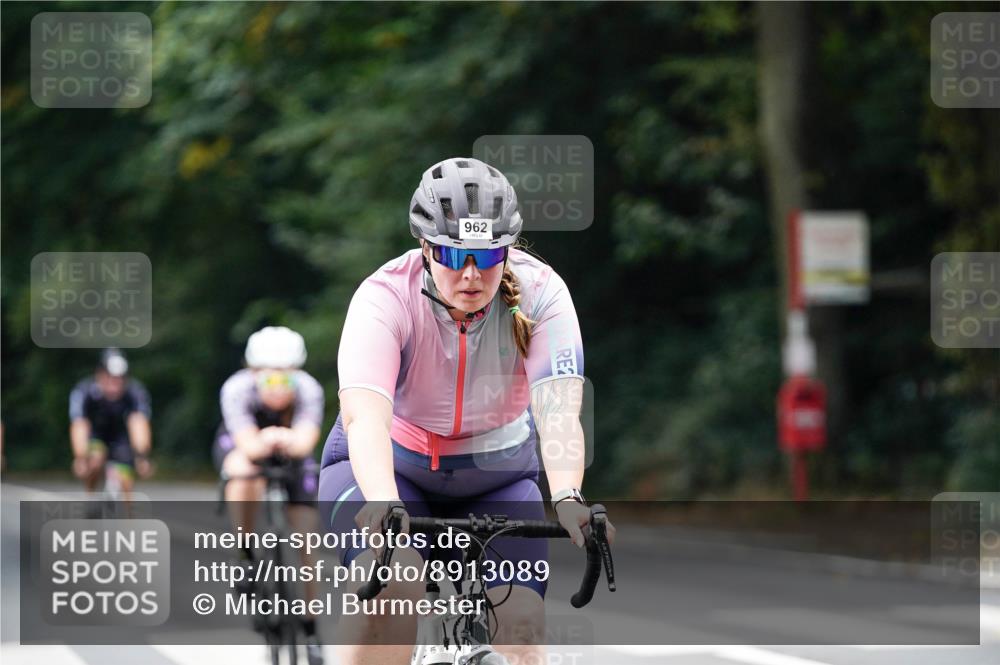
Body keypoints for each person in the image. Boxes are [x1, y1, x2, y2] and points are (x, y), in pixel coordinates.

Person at [319, 157, 615, 665]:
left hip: (497, 476)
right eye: (455, 256)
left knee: (521, 633)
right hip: (389, 468)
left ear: (509, 248)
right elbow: (365, 417)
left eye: (489, 255)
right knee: (393, 591)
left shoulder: (543, 293)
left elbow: (560, 412)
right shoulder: (384, 296)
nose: (473, 274)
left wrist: (568, 495)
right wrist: (384, 499)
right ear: (426, 247)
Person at [214, 325, 326, 664]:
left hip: (292, 454)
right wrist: (273, 439)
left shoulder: (309, 389)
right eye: (269, 379)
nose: (277, 387)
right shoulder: (236, 389)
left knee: (308, 541)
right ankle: (244, 552)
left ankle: (309, 628)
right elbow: (247, 444)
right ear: (253, 373)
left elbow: (306, 441)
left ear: (297, 374)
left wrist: (282, 439)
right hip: (243, 447)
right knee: (243, 473)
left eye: (285, 379)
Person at [69, 348, 153, 501]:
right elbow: (80, 424)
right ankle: (91, 497)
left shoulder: (135, 392)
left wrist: (141, 456)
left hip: (122, 437)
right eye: (110, 377)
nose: (115, 383)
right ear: (99, 374)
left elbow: (139, 423)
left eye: (120, 378)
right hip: (95, 435)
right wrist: (80, 457)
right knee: (95, 459)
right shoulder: (85, 391)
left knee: (126, 479)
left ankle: (127, 520)